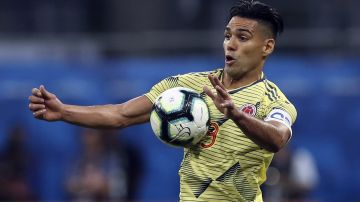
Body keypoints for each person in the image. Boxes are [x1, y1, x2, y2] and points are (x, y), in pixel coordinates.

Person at [28, 0, 297, 201]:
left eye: (242, 37)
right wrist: (64, 111)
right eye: (227, 35)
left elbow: (277, 138)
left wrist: (236, 115)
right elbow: (121, 114)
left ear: (267, 46)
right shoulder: (186, 86)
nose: (230, 44)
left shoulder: (272, 100)